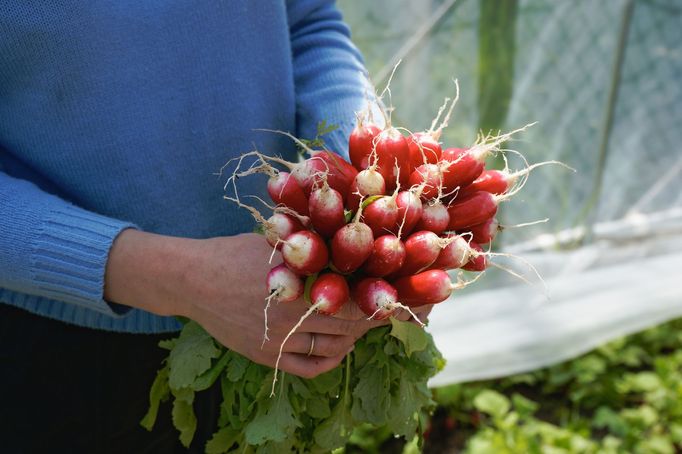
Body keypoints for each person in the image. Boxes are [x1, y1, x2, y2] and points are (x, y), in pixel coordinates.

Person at [0, 1, 431, 452]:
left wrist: (361, 168)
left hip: (280, 309)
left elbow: (308, 21)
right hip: (58, 349)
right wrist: (181, 279)